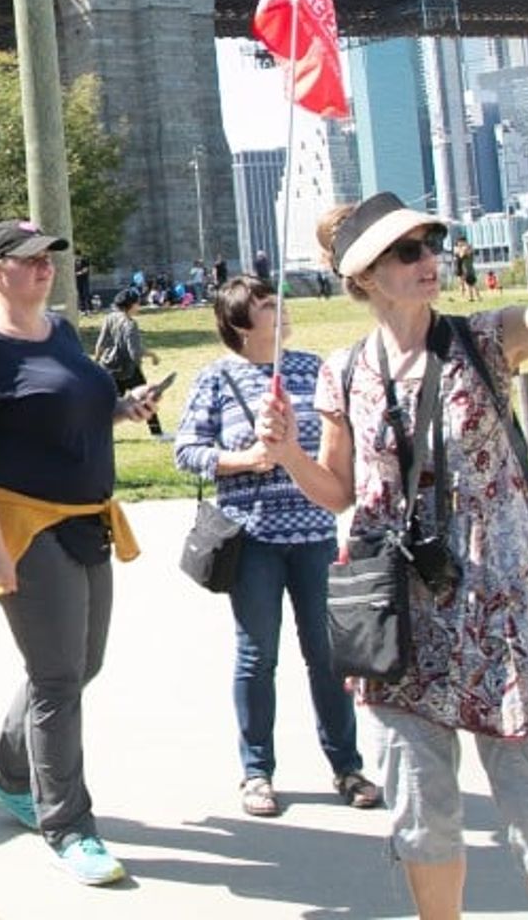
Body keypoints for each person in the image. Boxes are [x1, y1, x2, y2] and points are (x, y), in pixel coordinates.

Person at [259, 166, 528, 920]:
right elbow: (339, 491)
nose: (428, 257)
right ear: (363, 276)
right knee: (422, 817)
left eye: (432, 241)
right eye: (406, 250)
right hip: (399, 621)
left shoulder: (482, 340)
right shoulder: (344, 372)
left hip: (501, 614)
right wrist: (289, 455)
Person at [0, 220, 157, 889]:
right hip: (24, 530)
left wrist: (122, 409)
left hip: (86, 519)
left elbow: (69, 408)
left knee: (77, 665)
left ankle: (7, 776)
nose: (44, 267)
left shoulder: (60, 330)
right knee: (59, 679)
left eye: (49, 258)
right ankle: (67, 824)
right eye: (28, 259)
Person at [173, 275, 379, 819]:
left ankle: (347, 765)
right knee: (256, 655)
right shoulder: (218, 378)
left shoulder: (315, 370)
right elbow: (187, 451)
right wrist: (248, 459)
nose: (279, 310)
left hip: (313, 534)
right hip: (253, 538)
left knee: (328, 655)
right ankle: (257, 771)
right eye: (266, 305)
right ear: (240, 322)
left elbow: (346, 443)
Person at [92, 289, 162, 437]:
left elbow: (100, 344)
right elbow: (134, 352)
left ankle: (98, 434)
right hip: (128, 369)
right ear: (131, 305)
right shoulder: (130, 324)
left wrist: (96, 362)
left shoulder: (110, 318)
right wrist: (151, 355)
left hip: (109, 367)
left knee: (109, 405)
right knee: (147, 398)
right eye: (138, 303)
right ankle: (157, 433)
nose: (139, 306)